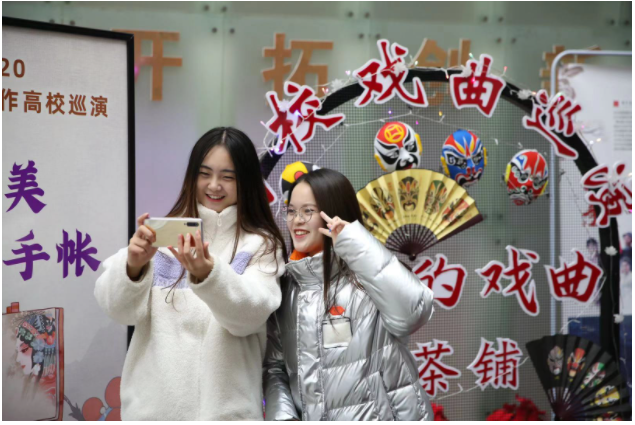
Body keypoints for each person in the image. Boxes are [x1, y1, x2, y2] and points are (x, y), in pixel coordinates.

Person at [95, 127, 287, 420]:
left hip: (227, 414)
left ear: (246, 181)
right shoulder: (161, 237)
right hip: (153, 413)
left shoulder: (261, 245)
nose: (214, 186)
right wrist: (132, 266)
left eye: (228, 177)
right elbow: (118, 309)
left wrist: (209, 275)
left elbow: (249, 317)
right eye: (204, 174)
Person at [263, 168, 435, 421]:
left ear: (334, 214)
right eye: (291, 211)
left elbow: (413, 312)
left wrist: (353, 242)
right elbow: (275, 368)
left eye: (308, 211)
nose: (296, 220)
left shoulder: (367, 275)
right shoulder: (287, 288)